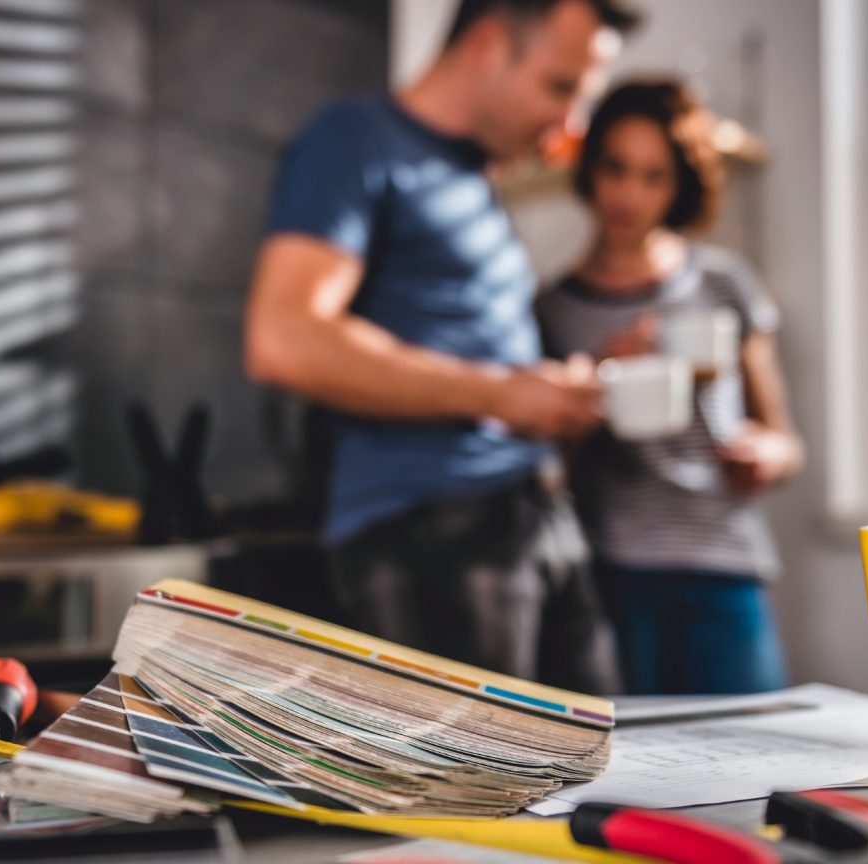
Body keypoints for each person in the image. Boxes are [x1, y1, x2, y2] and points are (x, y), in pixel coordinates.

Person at [243, 0, 640, 693]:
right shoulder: (354, 139)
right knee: (489, 797)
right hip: (434, 530)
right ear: (487, 45)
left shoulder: (471, 178)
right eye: (559, 87)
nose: (569, 124)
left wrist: (550, 389)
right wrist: (504, 395)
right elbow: (285, 337)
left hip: (535, 513)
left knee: (599, 770)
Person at [535, 80, 804, 694]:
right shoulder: (554, 308)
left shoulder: (724, 284)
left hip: (725, 566)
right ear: (589, 168)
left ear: (679, 184)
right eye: (615, 168)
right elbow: (550, 472)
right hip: (614, 575)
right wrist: (600, 376)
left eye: (654, 176)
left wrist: (766, 455)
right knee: (632, 777)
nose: (630, 194)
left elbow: (786, 440)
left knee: (751, 772)